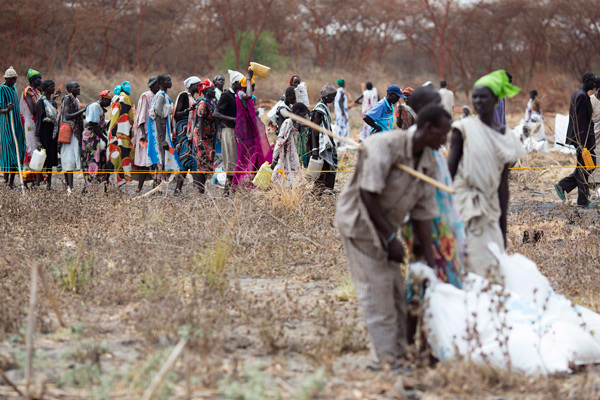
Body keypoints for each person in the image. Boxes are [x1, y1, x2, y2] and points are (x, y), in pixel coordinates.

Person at [334, 104, 451, 370]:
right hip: (360, 224)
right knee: (378, 292)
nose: (445, 141)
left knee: (397, 292)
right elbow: (368, 194)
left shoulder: (428, 161)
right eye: (442, 134)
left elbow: (423, 214)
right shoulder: (384, 145)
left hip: (386, 227)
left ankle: (399, 355)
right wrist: (389, 240)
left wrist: (430, 264)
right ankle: (386, 361)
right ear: (428, 128)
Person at [448, 70, 526, 278]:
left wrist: (502, 227)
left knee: (495, 261)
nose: (478, 100)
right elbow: (449, 174)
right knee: (471, 263)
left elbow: (503, 185)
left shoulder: (505, 136)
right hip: (465, 204)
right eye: (475, 96)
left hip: (491, 208)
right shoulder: (462, 129)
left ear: (496, 99)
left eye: (484, 96)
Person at [554, 72, 598, 207]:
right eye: (593, 81)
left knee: (584, 167)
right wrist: (581, 143)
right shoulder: (582, 96)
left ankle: (578, 197)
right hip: (583, 140)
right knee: (586, 167)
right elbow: (580, 122)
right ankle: (565, 187)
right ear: (586, 81)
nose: (595, 84)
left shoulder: (579, 94)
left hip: (583, 139)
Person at [232, 69, 272, 187]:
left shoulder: (246, 98)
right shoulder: (240, 93)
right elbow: (248, 95)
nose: (253, 89)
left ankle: (253, 183)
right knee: (244, 158)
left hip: (250, 131)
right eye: (251, 86)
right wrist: (248, 78)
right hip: (244, 132)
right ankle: (236, 184)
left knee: (255, 154)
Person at [147, 74, 180, 186]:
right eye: (168, 80)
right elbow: (157, 118)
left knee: (166, 157)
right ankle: (157, 187)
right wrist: (162, 140)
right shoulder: (160, 96)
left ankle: (159, 186)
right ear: (161, 83)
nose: (170, 82)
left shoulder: (164, 96)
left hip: (163, 134)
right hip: (159, 135)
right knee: (161, 159)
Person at [213, 70, 243, 194]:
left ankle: (229, 191)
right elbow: (216, 113)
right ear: (235, 83)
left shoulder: (237, 96)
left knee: (235, 161)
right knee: (231, 161)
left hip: (235, 131)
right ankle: (228, 191)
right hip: (229, 131)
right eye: (240, 83)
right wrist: (233, 119)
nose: (242, 86)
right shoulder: (226, 96)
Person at [172, 76, 201, 195]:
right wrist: (188, 110)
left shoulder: (193, 98)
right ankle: (177, 190)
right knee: (185, 161)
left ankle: (178, 190)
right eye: (197, 85)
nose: (199, 87)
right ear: (191, 86)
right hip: (182, 132)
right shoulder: (184, 96)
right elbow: (176, 114)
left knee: (188, 161)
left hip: (189, 134)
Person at [272, 102, 310, 187]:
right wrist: (275, 158)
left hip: (293, 153)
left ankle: (291, 190)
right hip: (285, 153)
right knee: (282, 172)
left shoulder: (296, 123)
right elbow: (280, 140)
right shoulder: (288, 122)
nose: (303, 117)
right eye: (302, 114)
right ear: (297, 112)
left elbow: (309, 123)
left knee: (292, 172)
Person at [0, 67, 26, 189]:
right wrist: (7, 109)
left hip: (17, 124)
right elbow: (0, 110)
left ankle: (12, 181)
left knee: (18, 150)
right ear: (6, 79)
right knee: (8, 151)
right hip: (7, 125)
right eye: (11, 79)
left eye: (15, 79)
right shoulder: (2, 89)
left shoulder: (13, 88)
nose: (13, 81)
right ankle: (6, 182)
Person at [106, 80, 135, 187]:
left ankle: (111, 184)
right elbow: (129, 117)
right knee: (123, 156)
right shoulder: (126, 98)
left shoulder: (114, 98)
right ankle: (119, 184)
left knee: (113, 157)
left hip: (112, 133)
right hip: (123, 132)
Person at [311, 83, 338, 194]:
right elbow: (314, 130)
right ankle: (317, 192)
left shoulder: (324, 107)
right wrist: (315, 149)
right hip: (319, 144)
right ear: (326, 96)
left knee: (327, 168)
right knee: (323, 169)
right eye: (332, 97)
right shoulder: (319, 109)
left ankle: (326, 190)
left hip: (325, 143)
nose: (333, 99)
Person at [81, 90, 111, 192]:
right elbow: (94, 125)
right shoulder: (95, 106)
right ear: (102, 99)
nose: (109, 103)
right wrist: (104, 138)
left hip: (96, 137)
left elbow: (101, 123)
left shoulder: (100, 108)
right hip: (91, 137)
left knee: (99, 161)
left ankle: (93, 187)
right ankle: (89, 188)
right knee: (91, 161)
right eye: (108, 100)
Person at [133, 76, 159, 192]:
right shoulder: (145, 96)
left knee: (155, 160)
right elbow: (142, 117)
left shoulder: (158, 96)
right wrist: (143, 134)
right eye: (158, 84)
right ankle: (139, 187)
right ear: (153, 85)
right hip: (145, 134)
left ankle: (155, 186)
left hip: (154, 133)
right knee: (144, 161)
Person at [192, 79, 218, 193]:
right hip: (202, 136)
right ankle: (200, 190)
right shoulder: (203, 103)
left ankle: (201, 189)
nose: (214, 90)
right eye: (212, 89)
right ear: (207, 91)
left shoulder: (210, 102)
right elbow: (200, 121)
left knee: (206, 163)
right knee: (202, 163)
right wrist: (201, 139)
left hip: (208, 136)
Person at [33, 80, 60, 189]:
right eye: (51, 86)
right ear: (45, 88)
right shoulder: (40, 102)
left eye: (53, 86)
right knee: (41, 159)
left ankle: (49, 183)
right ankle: (38, 183)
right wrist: (38, 139)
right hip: (44, 131)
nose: (53, 88)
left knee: (50, 160)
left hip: (52, 132)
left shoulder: (52, 102)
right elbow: (39, 120)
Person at [60, 81, 85, 192]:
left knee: (71, 157)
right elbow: (67, 115)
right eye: (76, 87)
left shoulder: (76, 100)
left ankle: (69, 186)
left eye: (79, 86)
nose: (79, 88)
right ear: (70, 89)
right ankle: (70, 187)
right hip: (68, 131)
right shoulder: (67, 99)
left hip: (74, 132)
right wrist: (83, 111)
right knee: (68, 158)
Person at [20, 69, 45, 160]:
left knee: (37, 145)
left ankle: (37, 172)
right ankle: (29, 172)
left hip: (37, 121)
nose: (41, 80)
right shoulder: (28, 91)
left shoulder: (37, 91)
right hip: (31, 121)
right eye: (39, 78)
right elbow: (33, 110)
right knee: (32, 145)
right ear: (33, 80)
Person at [334, 78, 349, 142]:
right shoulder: (342, 91)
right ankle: (342, 141)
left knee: (338, 126)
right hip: (342, 112)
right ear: (344, 84)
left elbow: (334, 102)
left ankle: (338, 141)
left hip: (337, 112)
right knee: (343, 126)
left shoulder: (337, 91)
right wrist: (343, 113)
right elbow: (341, 102)